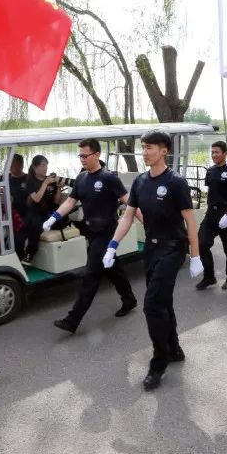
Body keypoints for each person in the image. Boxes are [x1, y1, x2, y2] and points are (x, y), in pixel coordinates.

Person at [104, 130, 200, 391]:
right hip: (152, 249)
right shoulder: (140, 182)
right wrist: (112, 245)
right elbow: (128, 215)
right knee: (162, 302)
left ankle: (159, 362)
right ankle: (175, 347)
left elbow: (190, 221)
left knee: (151, 305)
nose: (145, 152)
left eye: (150, 148)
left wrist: (195, 256)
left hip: (173, 249)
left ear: (163, 151)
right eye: (143, 147)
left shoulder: (176, 182)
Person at [44, 138, 137, 334]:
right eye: (80, 156)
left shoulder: (109, 178)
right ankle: (129, 299)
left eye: (85, 156)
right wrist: (53, 217)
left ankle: (72, 320)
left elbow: (129, 202)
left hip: (107, 233)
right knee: (112, 267)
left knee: (91, 274)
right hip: (91, 232)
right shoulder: (82, 179)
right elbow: (70, 202)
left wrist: (147, 220)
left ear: (96, 155)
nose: (82, 159)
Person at [195, 141, 227, 290]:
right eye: (212, 152)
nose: (214, 155)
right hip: (211, 215)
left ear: (225, 153)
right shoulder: (211, 170)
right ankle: (209, 277)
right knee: (201, 244)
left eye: (217, 152)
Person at [17, 155, 64, 262]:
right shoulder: (30, 182)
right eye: (42, 166)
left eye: (46, 166)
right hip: (35, 212)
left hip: (50, 213)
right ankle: (28, 253)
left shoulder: (51, 181)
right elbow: (37, 199)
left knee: (49, 222)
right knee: (32, 224)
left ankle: (30, 253)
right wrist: (45, 183)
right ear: (35, 167)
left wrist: (59, 189)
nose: (45, 168)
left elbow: (56, 201)